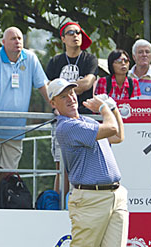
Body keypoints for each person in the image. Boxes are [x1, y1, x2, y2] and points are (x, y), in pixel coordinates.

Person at [35, 78, 128, 247]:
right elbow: (110, 126)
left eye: (72, 92)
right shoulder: (67, 127)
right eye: (63, 96)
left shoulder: (86, 122)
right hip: (89, 200)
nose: (71, 97)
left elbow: (118, 134)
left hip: (117, 196)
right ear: (54, 104)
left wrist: (113, 107)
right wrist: (104, 107)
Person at [0, 26, 48, 209]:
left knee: (8, 172)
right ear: (3, 42)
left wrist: (55, 105)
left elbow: (42, 85)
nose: (17, 41)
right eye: (13, 38)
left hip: (15, 127)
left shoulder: (31, 58)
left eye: (19, 38)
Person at [45, 22, 99, 196]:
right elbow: (48, 88)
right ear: (63, 38)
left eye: (78, 32)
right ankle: (60, 205)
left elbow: (87, 83)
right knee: (62, 167)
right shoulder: (55, 62)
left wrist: (61, 92)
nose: (75, 35)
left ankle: (79, 203)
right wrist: (72, 88)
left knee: (85, 163)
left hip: (84, 119)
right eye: (70, 33)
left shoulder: (89, 59)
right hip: (61, 121)